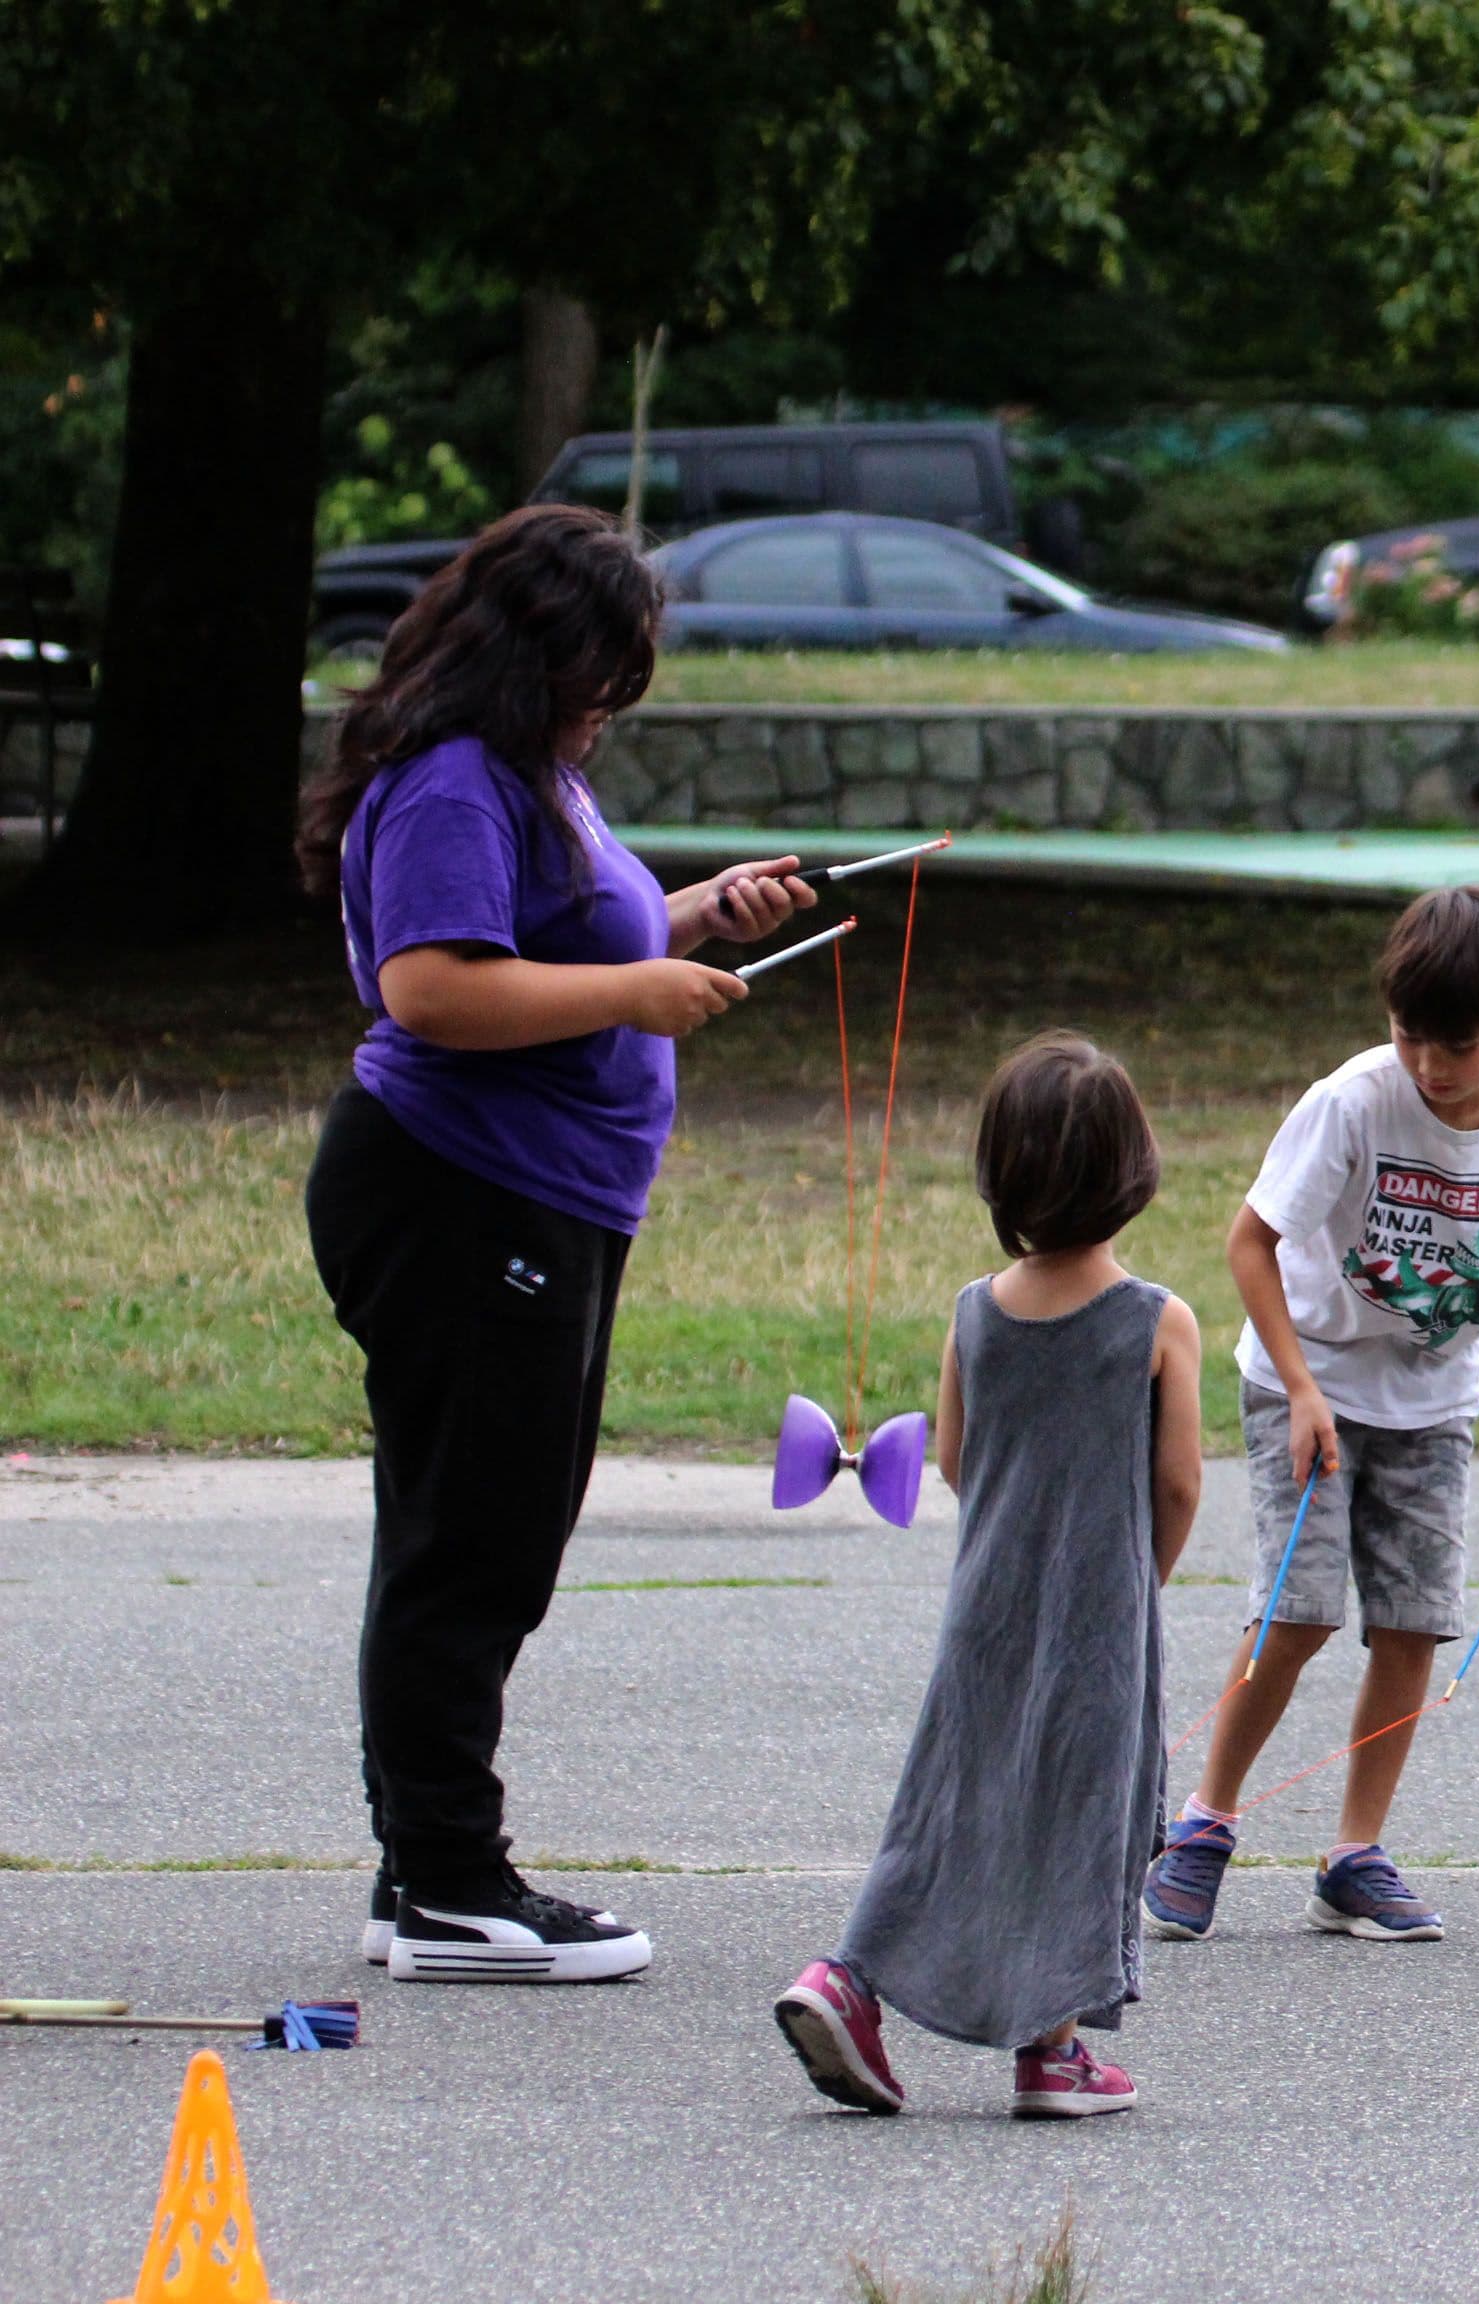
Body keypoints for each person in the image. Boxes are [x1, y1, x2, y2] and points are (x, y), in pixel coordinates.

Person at [298, 505, 818, 1983]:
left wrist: (696, 915)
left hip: (539, 1196)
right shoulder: (455, 782)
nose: (608, 708)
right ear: (533, 658)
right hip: (461, 1191)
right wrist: (634, 995)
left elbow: (565, 933)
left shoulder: (525, 775)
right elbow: (436, 991)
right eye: (598, 676)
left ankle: (427, 1869)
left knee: (477, 1528)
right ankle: (457, 1882)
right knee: (475, 1542)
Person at [1147, 885, 1479, 1945]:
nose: (1430, 1066)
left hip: (1432, 1405)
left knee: (1410, 1623)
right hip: (1303, 1383)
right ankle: (1203, 1822)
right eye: (1410, 1037)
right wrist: (1304, 1391)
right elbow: (1249, 1243)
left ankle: (1353, 1855)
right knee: (1299, 1609)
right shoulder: (1354, 1101)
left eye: (1457, 1044)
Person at [775, 1032, 1204, 2118]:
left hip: (986, 1605)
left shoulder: (976, 1311)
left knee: (951, 1800)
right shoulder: (1159, 1322)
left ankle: (850, 1976)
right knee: (1080, 1812)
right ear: (1132, 1172)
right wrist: (1136, 1578)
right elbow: (1182, 1484)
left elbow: (958, 1459)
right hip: (1101, 1612)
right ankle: (1050, 2052)